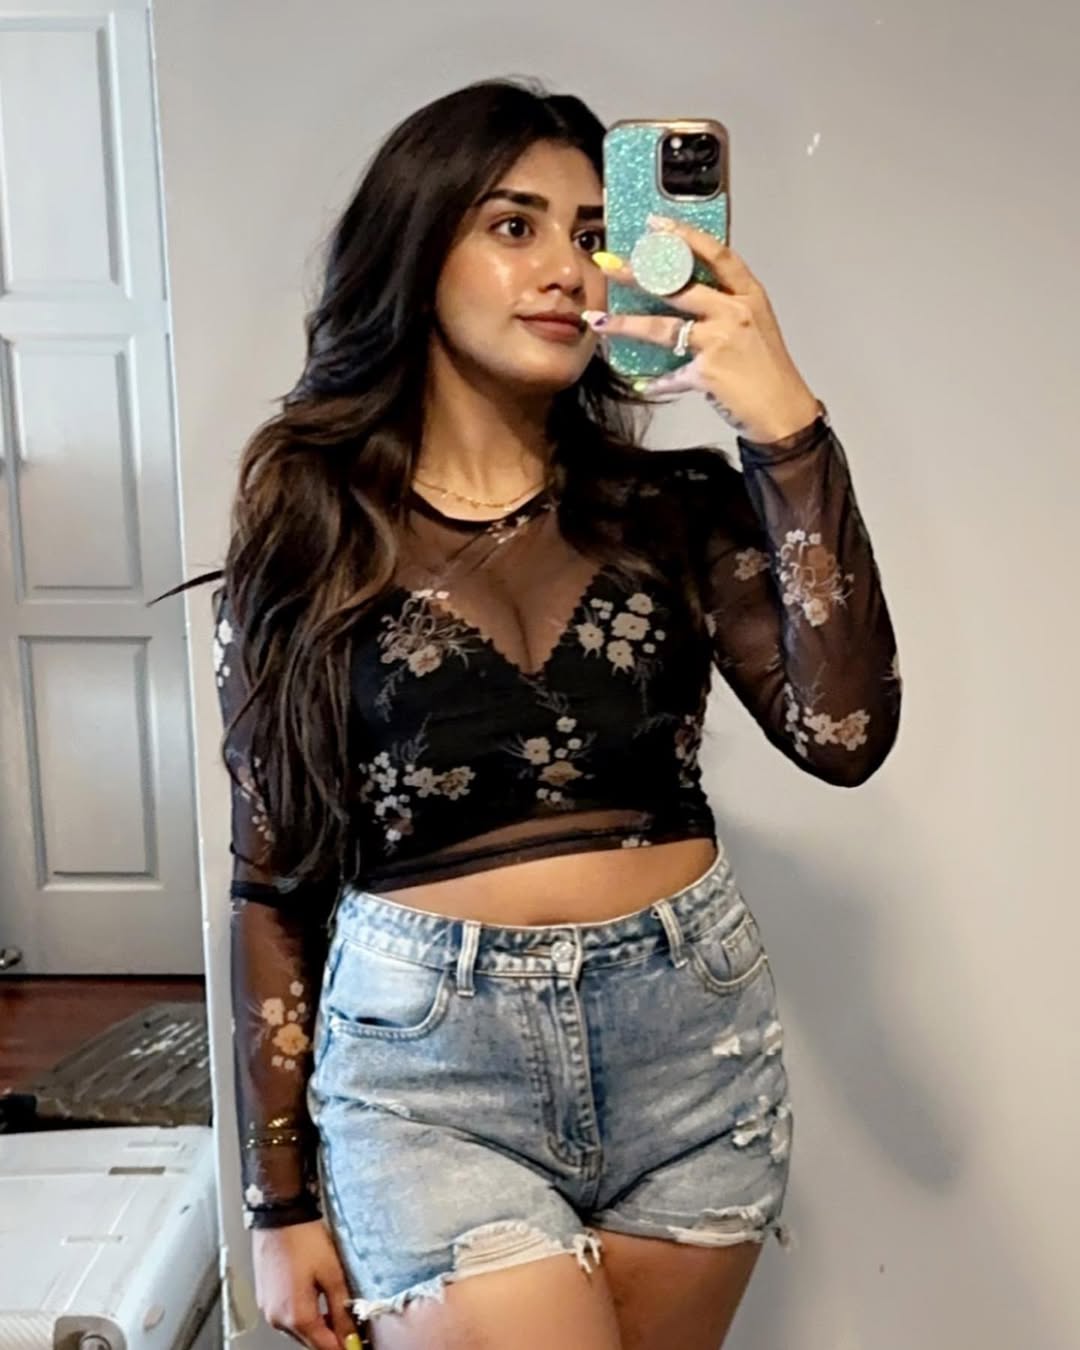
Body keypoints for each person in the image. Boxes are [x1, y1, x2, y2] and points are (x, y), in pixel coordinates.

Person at [206, 77, 900, 1350]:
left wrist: (784, 425)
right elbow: (273, 879)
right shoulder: (309, 530)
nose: (567, 269)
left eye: (592, 233)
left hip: (691, 1052)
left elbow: (845, 735)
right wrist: (277, 1198)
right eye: (513, 225)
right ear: (418, 250)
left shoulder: (677, 508)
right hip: (427, 1079)